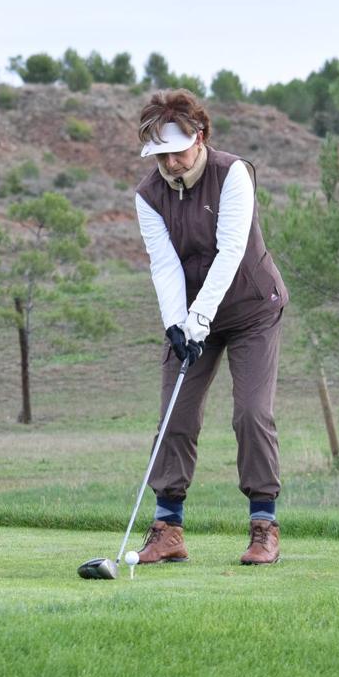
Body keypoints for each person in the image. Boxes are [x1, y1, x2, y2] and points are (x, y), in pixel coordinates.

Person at [132, 89, 289, 566]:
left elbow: (230, 252)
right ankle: (167, 528)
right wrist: (177, 326)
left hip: (251, 309)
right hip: (194, 315)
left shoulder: (233, 174)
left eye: (178, 151)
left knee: (251, 414)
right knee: (175, 417)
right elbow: (165, 267)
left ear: (200, 138)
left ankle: (264, 526)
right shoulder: (148, 196)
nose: (171, 163)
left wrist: (197, 319)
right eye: (161, 154)